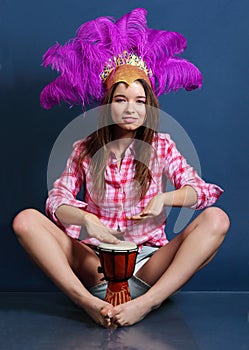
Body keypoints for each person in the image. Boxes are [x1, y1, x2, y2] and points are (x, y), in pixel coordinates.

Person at [12, 8, 230, 328]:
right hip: (95, 263)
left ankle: (145, 304)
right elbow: (56, 202)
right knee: (25, 221)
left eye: (140, 101)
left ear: (149, 106)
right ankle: (86, 302)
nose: (131, 109)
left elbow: (201, 191)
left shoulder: (161, 145)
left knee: (217, 220)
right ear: (108, 103)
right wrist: (87, 219)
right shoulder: (84, 149)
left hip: (147, 267)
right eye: (121, 99)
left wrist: (164, 200)